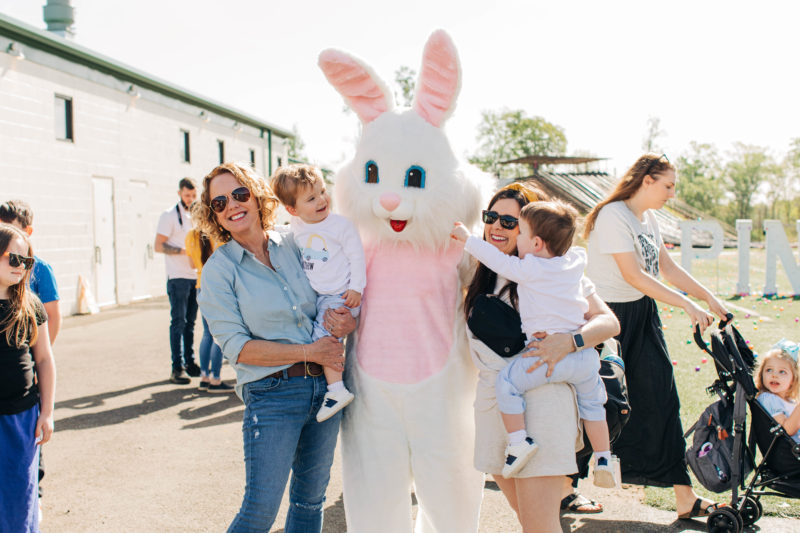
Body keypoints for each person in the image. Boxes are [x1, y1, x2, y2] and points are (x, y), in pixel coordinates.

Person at [196, 162, 356, 532]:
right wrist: (309, 353)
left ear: (256, 195)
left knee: (309, 502)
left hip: (325, 389)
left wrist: (350, 321)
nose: (232, 205)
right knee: (259, 512)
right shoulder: (219, 271)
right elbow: (237, 348)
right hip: (272, 395)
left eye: (239, 194)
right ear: (214, 216)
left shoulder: (296, 241)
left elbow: (332, 292)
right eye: (219, 203)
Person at [463, 182, 620, 532]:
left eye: (510, 221)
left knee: (539, 526)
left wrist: (570, 341)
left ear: (535, 231)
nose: (497, 227)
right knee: (530, 523)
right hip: (496, 406)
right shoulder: (482, 272)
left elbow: (609, 322)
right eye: (491, 218)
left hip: (544, 403)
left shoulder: (557, 272)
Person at [583, 153, 730, 520]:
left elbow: (666, 267)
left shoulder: (646, 218)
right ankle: (562, 486)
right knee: (595, 404)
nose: (671, 194)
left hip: (642, 316)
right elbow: (633, 275)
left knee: (663, 401)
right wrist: (686, 306)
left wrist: (706, 297)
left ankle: (685, 497)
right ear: (646, 180)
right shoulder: (612, 216)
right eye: (668, 186)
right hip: (608, 319)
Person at [270, 164, 365, 422]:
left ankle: (336, 390)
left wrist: (356, 287)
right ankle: (332, 386)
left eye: (322, 191)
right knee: (318, 336)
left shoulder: (340, 225)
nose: (322, 199)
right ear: (293, 210)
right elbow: (282, 233)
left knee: (322, 339)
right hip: (321, 297)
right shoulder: (297, 226)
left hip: (341, 295)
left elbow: (357, 256)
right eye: (311, 198)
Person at [0, 200, 62, 522]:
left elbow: (45, 361)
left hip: (23, 415)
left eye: (26, 260)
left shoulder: (30, 304)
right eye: (13, 257)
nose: (21, 265)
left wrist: (47, 413)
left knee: (20, 491)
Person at [155, 178, 200, 385]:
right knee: (178, 322)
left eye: (193, 195)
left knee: (191, 323)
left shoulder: (196, 215)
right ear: (179, 193)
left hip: (194, 276)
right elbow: (158, 246)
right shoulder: (169, 215)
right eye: (186, 195)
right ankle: (177, 367)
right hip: (177, 277)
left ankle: (190, 362)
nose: (190, 199)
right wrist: (184, 251)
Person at [0, 201, 61, 346]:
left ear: (28, 231)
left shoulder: (41, 268)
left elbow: (53, 316)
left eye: (9, 227)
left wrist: (41, 353)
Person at [184, 221, 232, 393]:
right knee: (219, 334)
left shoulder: (190, 235)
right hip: (217, 286)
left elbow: (191, 264)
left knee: (207, 334)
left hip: (200, 286)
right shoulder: (220, 233)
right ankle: (216, 379)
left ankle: (204, 377)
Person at [755, 339, 800, 442]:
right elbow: (787, 430)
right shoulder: (768, 398)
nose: (774, 375)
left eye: (782, 372)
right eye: (769, 370)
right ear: (761, 374)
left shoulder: (790, 401)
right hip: (791, 455)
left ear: (793, 379)